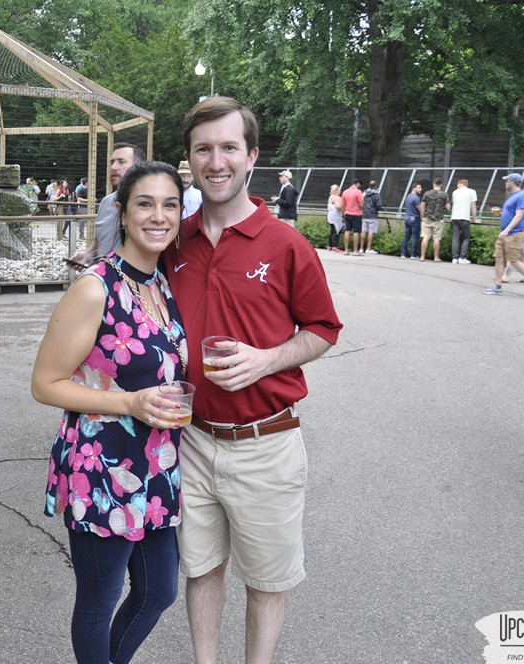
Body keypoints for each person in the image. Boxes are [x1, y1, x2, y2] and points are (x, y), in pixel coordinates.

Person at [164, 96, 343, 664]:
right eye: (204, 150)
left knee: (266, 581)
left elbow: (324, 328)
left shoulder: (287, 244)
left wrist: (266, 359)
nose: (216, 161)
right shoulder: (175, 243)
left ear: (252, 156)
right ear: (190, 160)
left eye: (228, 148)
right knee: (200, 569)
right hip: (190, 440)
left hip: (266, 442)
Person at [32, 161, 189, 662]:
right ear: (122, 213)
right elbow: (44, 383)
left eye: (170, 205)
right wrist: (127, 402)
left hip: (156, 466)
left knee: (158, 591)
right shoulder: (95, 287)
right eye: (145, 204)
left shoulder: (161, 282)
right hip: (102, 468)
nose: (158, 216)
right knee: (99, 603)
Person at [71, 143, 146, 264]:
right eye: (112, 162)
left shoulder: (151, 206)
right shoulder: (106, 202)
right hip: (105, 276)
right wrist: (86, 254)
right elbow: (99, 241)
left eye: (121, 162)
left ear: (138, 167)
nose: (114, 167)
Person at [482, 174, 524, 297]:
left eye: (507, 181)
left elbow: (519, 215)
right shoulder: (513, 197)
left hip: (514, 234)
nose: (505, 183)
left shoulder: (522, 196)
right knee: (499, 257)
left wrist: (506, 231)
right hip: (506, 233)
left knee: (514, 260)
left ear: (513, 182)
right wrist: (501, 214)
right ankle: (497, 286)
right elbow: (513, 213)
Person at [418, 178, 449, 262]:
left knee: (425, 237)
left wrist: (422, 216)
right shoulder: (444, 195)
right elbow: (448, 208)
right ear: (441, 185)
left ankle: (422, 256)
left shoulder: (427, 193)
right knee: (436, 238)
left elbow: (422, 205)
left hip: (427, 218)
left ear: (433, 184)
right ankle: (436, 257)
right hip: (438, 219)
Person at [449, 178, 477, 264]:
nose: (457, 186)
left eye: (458, 184)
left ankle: (454, 258)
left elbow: (454, 204)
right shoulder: (472, 192)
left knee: (455, 238)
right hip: (465, 217)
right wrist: (474, 219)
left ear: (461, 183)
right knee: (466, 237)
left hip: (454, 217)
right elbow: (473, 206)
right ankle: (462, 257)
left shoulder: (455, 192)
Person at [342, 178, 364, 256]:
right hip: (357, 214)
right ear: (358, 184)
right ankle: (355, 251)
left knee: (347, 231)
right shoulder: (358, 192)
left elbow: (343, 205)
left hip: (347, 213)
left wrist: (343, 215)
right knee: (356, 232)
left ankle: (346, 250)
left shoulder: (345, 192)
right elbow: (361, 204)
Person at [401, 182, 422, 259]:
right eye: (419, 187)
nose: (421, 189)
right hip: (415, 219)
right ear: (414, 188)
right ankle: (413, 254)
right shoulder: (416, 198)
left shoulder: (408, 196)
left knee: (406, 236)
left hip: (407, 218)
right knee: (415, 237)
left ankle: (403, 253)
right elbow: (420, 209)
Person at [361, 180, 383, 254]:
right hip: (373, 215)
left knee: (363, 230)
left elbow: (361, 201)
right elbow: (379, 205)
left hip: (364, 214)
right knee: (371, 231)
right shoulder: (376, 194)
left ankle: (361, 248)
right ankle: (368, 248)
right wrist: (381, 208)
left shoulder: (364, 192)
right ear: (376, 186)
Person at [327, 184, 345, 252]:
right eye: (339, 190)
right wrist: (343, 208)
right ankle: (335, 246)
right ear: (336, 191)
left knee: (332, 231)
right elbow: (338, 206)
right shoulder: (337, 197)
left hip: (330, 215)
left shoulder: (330, 197)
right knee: (336, 231)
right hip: (336, 215)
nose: (340, 191)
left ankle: (330, 246)